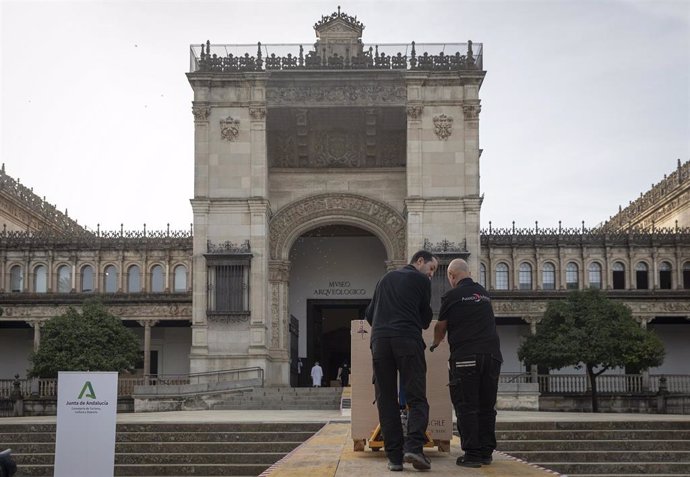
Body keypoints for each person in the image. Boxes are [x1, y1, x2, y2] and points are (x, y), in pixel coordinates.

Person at [365, 250, 438, 472]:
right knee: (416, 397)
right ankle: (414, 447)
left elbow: (369, 315)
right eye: (432, 268)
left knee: (386, 399)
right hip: (407, 340)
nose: (432, 274)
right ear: (419, 261)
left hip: (380, 343)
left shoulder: (385, 278)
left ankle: (394, 457)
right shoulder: (420, 280)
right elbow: (426, 319)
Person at [430, 258, 502, 468]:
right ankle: (486, 452)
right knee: (487, 406)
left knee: (466, 405)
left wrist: (435, 344)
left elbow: (441, 328)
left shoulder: (452, 296)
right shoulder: (484, 294)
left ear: (452, 276)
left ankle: (472, 455)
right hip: (492, 357)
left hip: (466, 358)